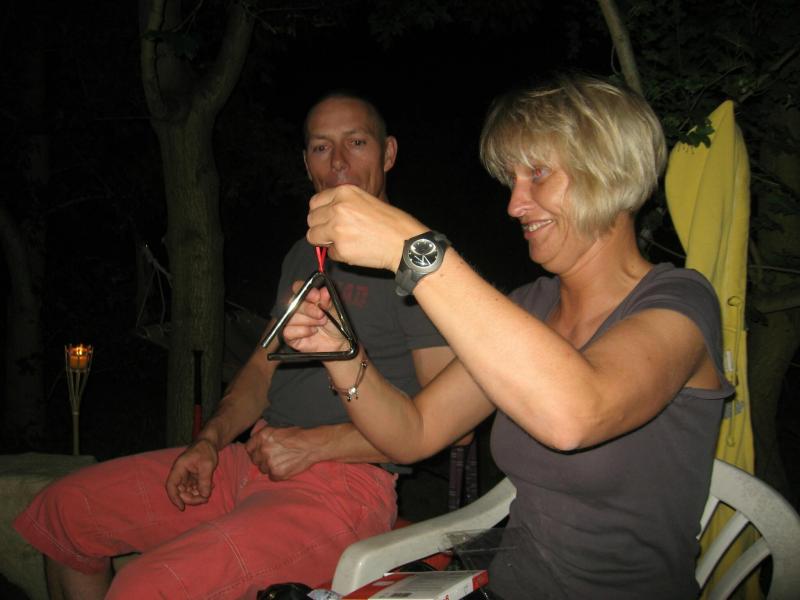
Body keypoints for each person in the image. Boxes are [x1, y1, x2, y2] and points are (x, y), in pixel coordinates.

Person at [281, 75, 733, 599]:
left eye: (537, 174)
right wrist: (340, 351)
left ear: (609, 171)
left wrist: (413, 249)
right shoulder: (529, 308)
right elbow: (414, 432)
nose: (515, 204)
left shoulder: (681, 301)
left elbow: (574, 414)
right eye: (512, 180)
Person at [13, 93, 454, 598]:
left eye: (356, 142)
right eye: (320, 147)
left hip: (346, 484)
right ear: (305, 162)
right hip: (253, 458)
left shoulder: (420, 261)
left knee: (144, 587)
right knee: (64, 513)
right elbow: (262, 372)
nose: (337, 161)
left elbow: (449, 428)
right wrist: (210, 441)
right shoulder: (303, 255)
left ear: (388, 153)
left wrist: (316, 445)